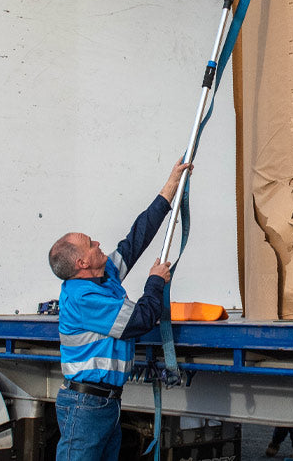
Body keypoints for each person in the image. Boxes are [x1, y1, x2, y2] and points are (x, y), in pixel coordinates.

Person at [48, 157, 191, 461]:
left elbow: (135, 240)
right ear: (81, 263)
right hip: (85, 405)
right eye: (90, 244)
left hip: (103, 404)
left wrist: (169, 189)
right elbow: (140, 321)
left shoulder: (103, 277)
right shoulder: (83, 298)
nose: (98, 242)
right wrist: (155, 282)